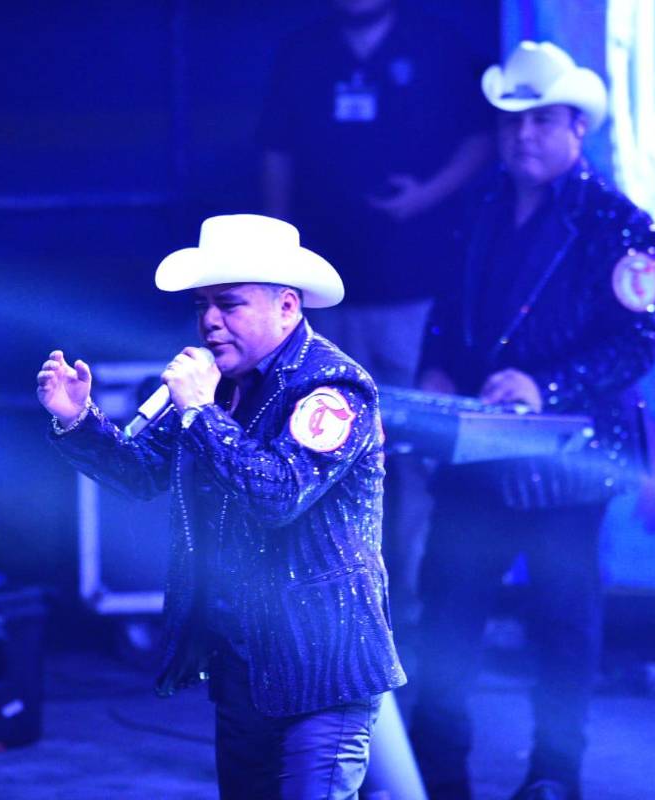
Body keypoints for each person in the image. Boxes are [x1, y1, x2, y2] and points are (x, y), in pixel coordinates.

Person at [36, 213, 406, 799]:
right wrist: (77, 419)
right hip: (243, 661)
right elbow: (140, 474)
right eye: (204, 305)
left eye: (229, 305)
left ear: (287, 306)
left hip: (326, 666)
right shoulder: (220, 384)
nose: (210, 321)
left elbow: (278, 495)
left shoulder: (333, 388)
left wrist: (201, 412)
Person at [406, 42, 655, 800]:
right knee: (448, 609)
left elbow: (638, 340)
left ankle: (555, 776)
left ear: (576, 128)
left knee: (564, 627)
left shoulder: (621, 223)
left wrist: (544, 386)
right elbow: (449, 309)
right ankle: (439, 770)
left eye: (541, 120)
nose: (523, 135)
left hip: (568, 463)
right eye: (512, 120)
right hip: (475, 452)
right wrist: (435, 367)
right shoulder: (479, 203)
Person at [259, 0, 494, 626]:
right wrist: (284, 254)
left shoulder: (438, 44)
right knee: (315, 439)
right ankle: (330, 594)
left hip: (416, 291)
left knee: (410, 451)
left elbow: (481, 140)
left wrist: (425, 197)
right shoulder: (303, 50)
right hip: (323, 297)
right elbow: (275, 155)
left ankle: (407, 600)